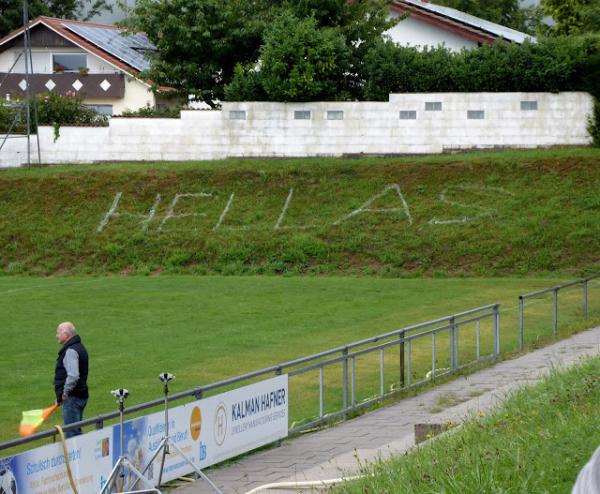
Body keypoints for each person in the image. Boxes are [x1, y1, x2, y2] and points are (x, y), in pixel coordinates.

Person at [54, 322, 89, 438]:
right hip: (80, 395)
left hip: (72, 398)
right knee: (76, 432)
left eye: (58, 332)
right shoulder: (80, 347)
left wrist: (65, 392)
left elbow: (73, 375)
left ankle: (77, 456)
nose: (57, 335)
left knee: (72, 435)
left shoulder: (70, 351)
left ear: (66, 334)